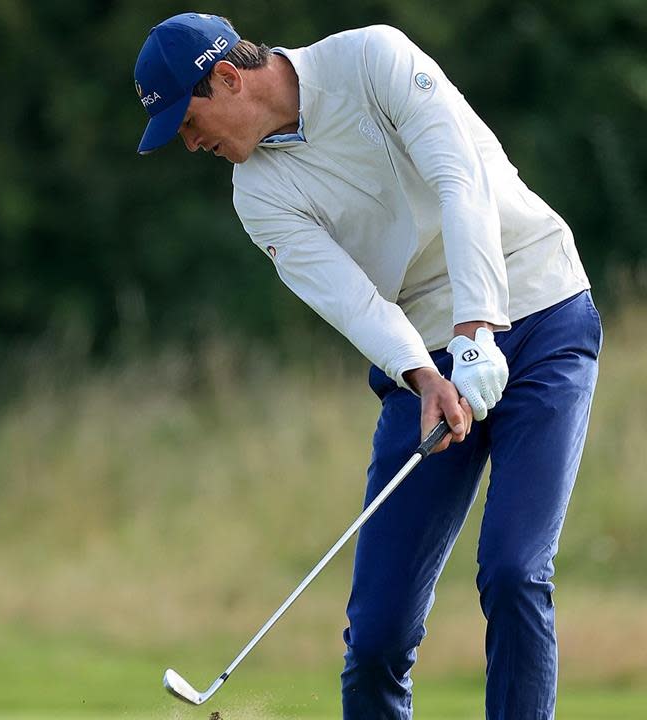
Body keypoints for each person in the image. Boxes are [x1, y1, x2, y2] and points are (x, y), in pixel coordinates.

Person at [133, 13, 601, 720]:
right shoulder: (257, 195)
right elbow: (353, 303)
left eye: (187, 122)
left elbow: (459, 178)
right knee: (379, 630)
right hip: (427, 360)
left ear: (227, 77)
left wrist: (476, 327)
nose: (189, 143)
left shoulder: (372, 59)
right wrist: (426, 374)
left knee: (513, 569)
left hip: (539, 306)